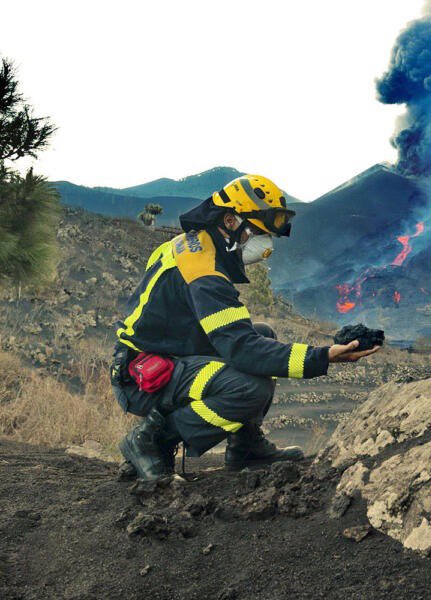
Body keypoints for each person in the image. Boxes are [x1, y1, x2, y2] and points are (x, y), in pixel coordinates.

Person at [110, 174, 380, 480]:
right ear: (229, 221)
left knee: (263, 334)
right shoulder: (203, 271)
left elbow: (235, 337)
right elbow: (241, 350)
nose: (263, 245)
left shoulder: (192, 245)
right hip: (144, 376)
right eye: (255, 232)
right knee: (250, 387)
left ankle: (246, 446)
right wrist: (325, 355)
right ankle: (151, 439)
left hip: (170, 355)